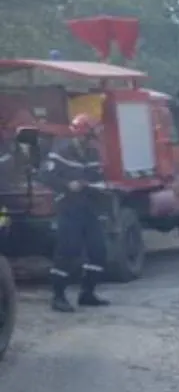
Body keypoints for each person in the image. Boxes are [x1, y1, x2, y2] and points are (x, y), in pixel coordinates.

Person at [42, 113, 110, 312]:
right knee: (67, 252)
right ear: (79, 135)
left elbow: (97, 178)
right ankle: (58, 297)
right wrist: (67, 185)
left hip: (89, 209)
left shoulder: (92, 154)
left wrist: (100, 188)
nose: (89, 141)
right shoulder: (61, 151)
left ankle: (87, 294)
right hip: (68, 208)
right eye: (87, 137)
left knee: (98, 252)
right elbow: (45, 175)